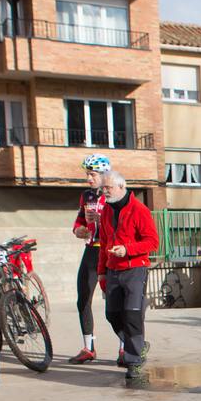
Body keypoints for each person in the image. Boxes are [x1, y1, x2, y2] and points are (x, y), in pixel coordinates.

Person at [96, 171, 159, 388]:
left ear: (121, 187)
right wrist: (101, 272)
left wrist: (128, 249)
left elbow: (152, 242)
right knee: (112, 315)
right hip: (113, 270)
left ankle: (134, 361)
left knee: (132, 315)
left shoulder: (139, 210)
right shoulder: (106, 211)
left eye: (108, 188)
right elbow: (103, 243)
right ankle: (138, 344)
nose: (104, 192)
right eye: (103, 188)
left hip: (135, 269)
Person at [68, 155, 112, 364]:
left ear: (104, 175)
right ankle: (89, 347)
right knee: (83, 298)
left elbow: (122, 224)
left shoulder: (114, 194)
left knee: (114, 301)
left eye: (92, 174)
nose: (89, 178)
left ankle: (125, 347)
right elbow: (78, 220)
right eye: (87, 174)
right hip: (91, 250)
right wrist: (79, 230)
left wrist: (102, 220)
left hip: (110, 251)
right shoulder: (86, 196)